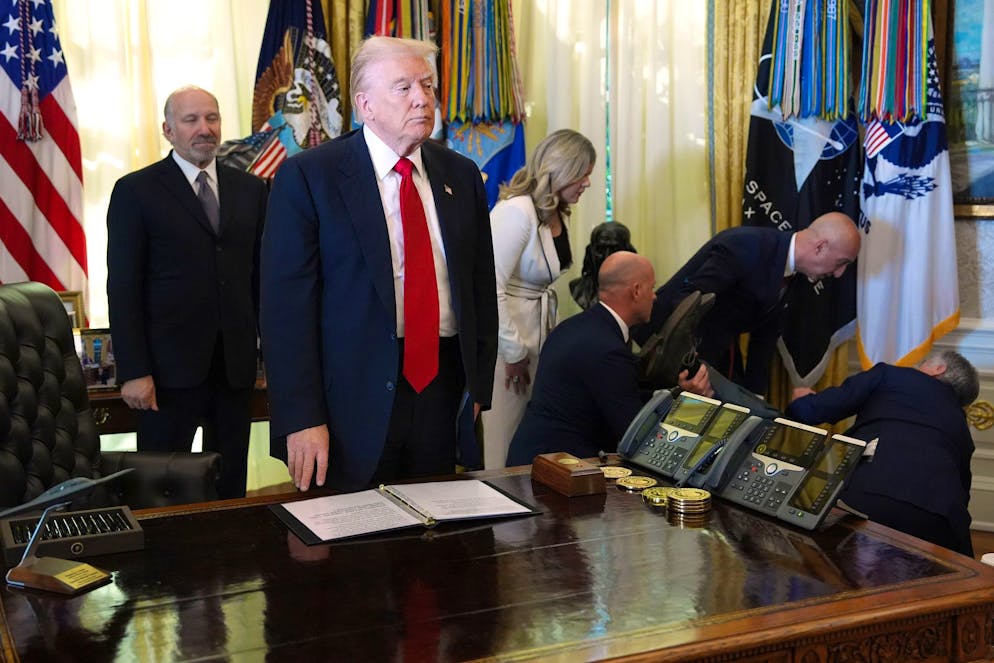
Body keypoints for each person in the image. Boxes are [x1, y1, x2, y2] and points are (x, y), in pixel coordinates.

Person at [260, 36, 497, 492]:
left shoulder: (461, 174)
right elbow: (285, 312)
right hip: (348, 402)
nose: (422, 99)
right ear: (365, 105)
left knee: (438, 524)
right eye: (403, 87)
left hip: (442, 388)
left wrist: (478, 387)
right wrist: (302, 416)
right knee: (352, 532)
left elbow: (479, 288)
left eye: (427, 86)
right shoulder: (309, 176)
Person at [106, 86, 268, 500]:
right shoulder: (135, 191)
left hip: (234, 370)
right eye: (191, 120)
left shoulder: (251, 189)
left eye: (211, 118)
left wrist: (269, 354)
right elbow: (123, 287)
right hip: (165, 374)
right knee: (159, 491)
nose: (204, 129)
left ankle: (229, 547)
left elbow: (260, 280)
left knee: (230, 486)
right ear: (168, 130)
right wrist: (133, 371)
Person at [632, 212, 861, 396]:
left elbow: (765, 337)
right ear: (820, 247)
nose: (839, 273)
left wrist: (755, 395)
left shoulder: (797, 274)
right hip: (662, 350)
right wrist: (690, 369)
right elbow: (687, 301)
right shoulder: (745, 246)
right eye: (841, 263)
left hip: (710, 351)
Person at [786, 350, 979, 556]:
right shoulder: (961, 426)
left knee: (829, 563)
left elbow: (811, 411)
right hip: (941, 517)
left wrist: (802, 400)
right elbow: (963, 490)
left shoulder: (891, 375)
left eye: (924, 362)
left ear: (939, 369)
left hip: (871, 493)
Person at [480, 129, 596, 469]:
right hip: (507, 344)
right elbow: (489, 287)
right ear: (563, 169)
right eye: (584, 174)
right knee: (503, 440)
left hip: (536, 336)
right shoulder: (517, 211)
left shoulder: (556, 211)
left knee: (528, 439)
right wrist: (513, 352)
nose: (587, 183)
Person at [569, 221, 636, 310]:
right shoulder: (578, 289)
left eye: (615, 250)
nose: (607, 257)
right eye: (600, 249)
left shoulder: (638, 291)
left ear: (628, 252)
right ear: (590, 252)